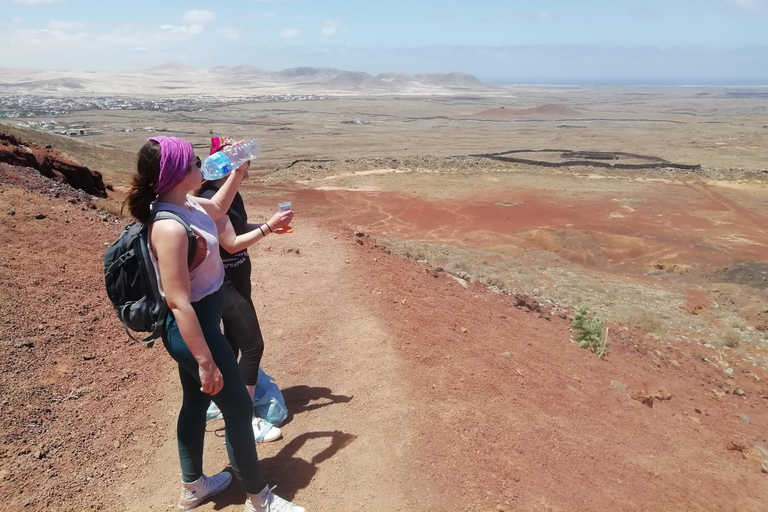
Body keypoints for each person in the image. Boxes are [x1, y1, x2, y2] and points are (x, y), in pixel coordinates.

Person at [123, 136, 304, 512]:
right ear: (174, 174)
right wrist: (205, 359)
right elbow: (177, 300)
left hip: (197, 328)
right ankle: (260, 499)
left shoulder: (186, 203)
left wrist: (238, 169)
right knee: (238, 410)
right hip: (193, 332)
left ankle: (194, 487)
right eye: (191, 164)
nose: (199, 167)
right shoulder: (169, 227)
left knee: (193, 403)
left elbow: (219, 207)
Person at [198, 136, 293, 443]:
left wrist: (268, 225)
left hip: (238, 277)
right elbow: (230, 243)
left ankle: (222, 402)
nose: (247, 165)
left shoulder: (229, 194)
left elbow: (238, 231)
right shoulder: (213, 195)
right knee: (253, 346)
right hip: (224, 282)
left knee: (234, 344)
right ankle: (244, 418)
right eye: (240, 161)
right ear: (226, 165)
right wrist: (268, 228)